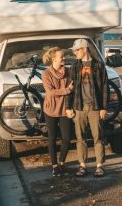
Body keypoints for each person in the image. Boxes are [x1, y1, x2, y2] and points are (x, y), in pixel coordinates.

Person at [67, 39, 108, 177]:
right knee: (80, 138)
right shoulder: (74, 67)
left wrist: (104, 107)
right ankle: (82, 166)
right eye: (74, 50)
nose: (75, 53)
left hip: (95, 107)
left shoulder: (99, 65)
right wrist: (68, 107)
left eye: (77, 50)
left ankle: (99, 166)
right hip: (79, 107)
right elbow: (69, 89)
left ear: (85, 49)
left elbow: (104, 88)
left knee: (98, 137)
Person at [42, 47, 74, 177]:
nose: (64, 59)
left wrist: (70, 106)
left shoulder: (68, 71)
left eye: (64, 57)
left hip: (64, 109)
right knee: (52, 138)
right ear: (54, 59)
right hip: (51, 110)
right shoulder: (46, 74)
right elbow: (50, 92)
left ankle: (62, 163)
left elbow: (73, 87)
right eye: (62, 57)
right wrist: (67, 90)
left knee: (67, 138)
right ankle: (54, 166)